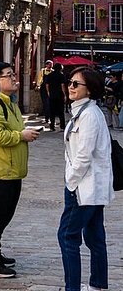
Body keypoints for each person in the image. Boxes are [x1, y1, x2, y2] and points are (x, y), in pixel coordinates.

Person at [58, 67, 114, 291]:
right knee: (94, 236)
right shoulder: (84, 111)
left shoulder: (90, 114)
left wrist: (70, 181)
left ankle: (73, 287)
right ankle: (98, 284)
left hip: (84, 188)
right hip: (90, 187)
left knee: (67, 236)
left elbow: (84, 154)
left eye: (76, 84)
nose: (70, 87)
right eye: (70, 82)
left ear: (89, 89)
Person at [0, 62, 40, 278]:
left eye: (13, 74)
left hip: (13, 170)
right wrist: (21, 136)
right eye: (9, 75)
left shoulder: (11, 104)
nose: (14, 78)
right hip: (0, 171)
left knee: (4, 216)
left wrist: (24, 132)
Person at [45, 62, 68, 131]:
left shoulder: (50, 75)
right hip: (59, 95)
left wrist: (48, 92)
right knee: (61, 111)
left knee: (52, 111)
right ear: (60, 68)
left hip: (52, 95)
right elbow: (62, 85)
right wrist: (65, 94)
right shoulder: (61, 75)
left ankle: (52, 126)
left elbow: (47, 85)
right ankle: (62, 126)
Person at [36, 60, 53, 124]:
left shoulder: (53, 71)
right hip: (43, 88)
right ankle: (46, 118)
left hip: (51, 88)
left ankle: (50, 117)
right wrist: (38, 85)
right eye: (50, 64)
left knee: (49, 103)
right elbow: (39, 78)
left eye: (52, 64)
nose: (51, 65)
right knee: (45, 103)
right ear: (46, 65)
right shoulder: (43, 71)